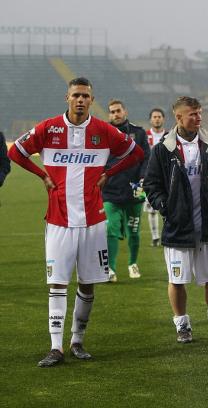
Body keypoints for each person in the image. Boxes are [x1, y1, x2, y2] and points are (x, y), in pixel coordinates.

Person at [8, 77, 144, 367]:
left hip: (93, 221)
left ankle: (77, 341)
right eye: (76, 95)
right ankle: (56, 347)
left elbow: (136, 153)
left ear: (91, 100)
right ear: (67, 98)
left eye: (85, 96)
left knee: (87, 284)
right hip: (59, 220)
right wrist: (42, 175)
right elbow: (15, 152)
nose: (80, 100)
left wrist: (109, 173)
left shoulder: (104, 130)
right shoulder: (49, 128)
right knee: (57, 283)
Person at [144, 96, 208, 344]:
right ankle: (182, 326)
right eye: (193, 114)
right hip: (178, 227)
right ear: (179, 117)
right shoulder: (163, 149)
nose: (198, 118)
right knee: (177, 280)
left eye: (199, 113)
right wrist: (166, 207)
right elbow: (151, 184)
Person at [103, 100, 150, 281]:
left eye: (118, 111)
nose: (115, 114)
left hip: (136, 188)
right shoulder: (103, 134)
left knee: (134, 231)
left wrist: (143, 178)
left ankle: (133, 263)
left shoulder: (139, 133)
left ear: (125, 111)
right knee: (111, 229)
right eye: (112, 112)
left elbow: (146, 158)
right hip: (110, 190)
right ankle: (110, 269)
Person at [145, 107, 167, 247]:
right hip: (151, 177)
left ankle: (166, 234)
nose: (157, 119)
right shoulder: (145, 136)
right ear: (150, 120)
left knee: (167, 207)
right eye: (154, 117)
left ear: (163, 119)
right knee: (151, 209)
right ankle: (155, 237)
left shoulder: (170, 135)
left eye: (159, 116)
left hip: (166, 177)